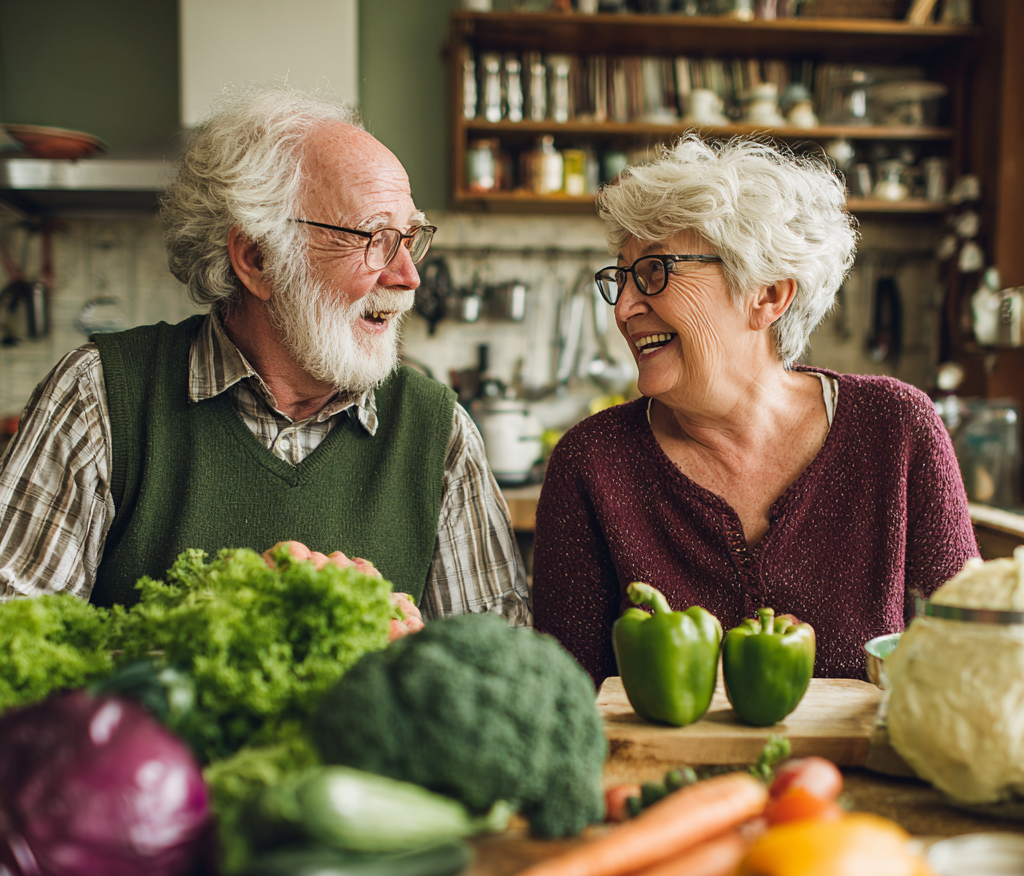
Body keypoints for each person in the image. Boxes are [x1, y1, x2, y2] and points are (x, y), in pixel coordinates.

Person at [0, 88, 530, 627]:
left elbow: (497, 661)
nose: (407, 277)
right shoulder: (98, 395)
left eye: (411, 238)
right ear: (257, 259)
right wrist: (217, 630)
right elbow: (14, 641)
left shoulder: (438, 430)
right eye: (375, 238)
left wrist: (416, 656)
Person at [533, 136, 976, 683]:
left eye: (654, 271)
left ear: (767, 295)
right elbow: (567, 695)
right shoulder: (591, 461)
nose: (625, 308)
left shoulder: (897, 427)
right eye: (621, 276)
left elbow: (970, 657)